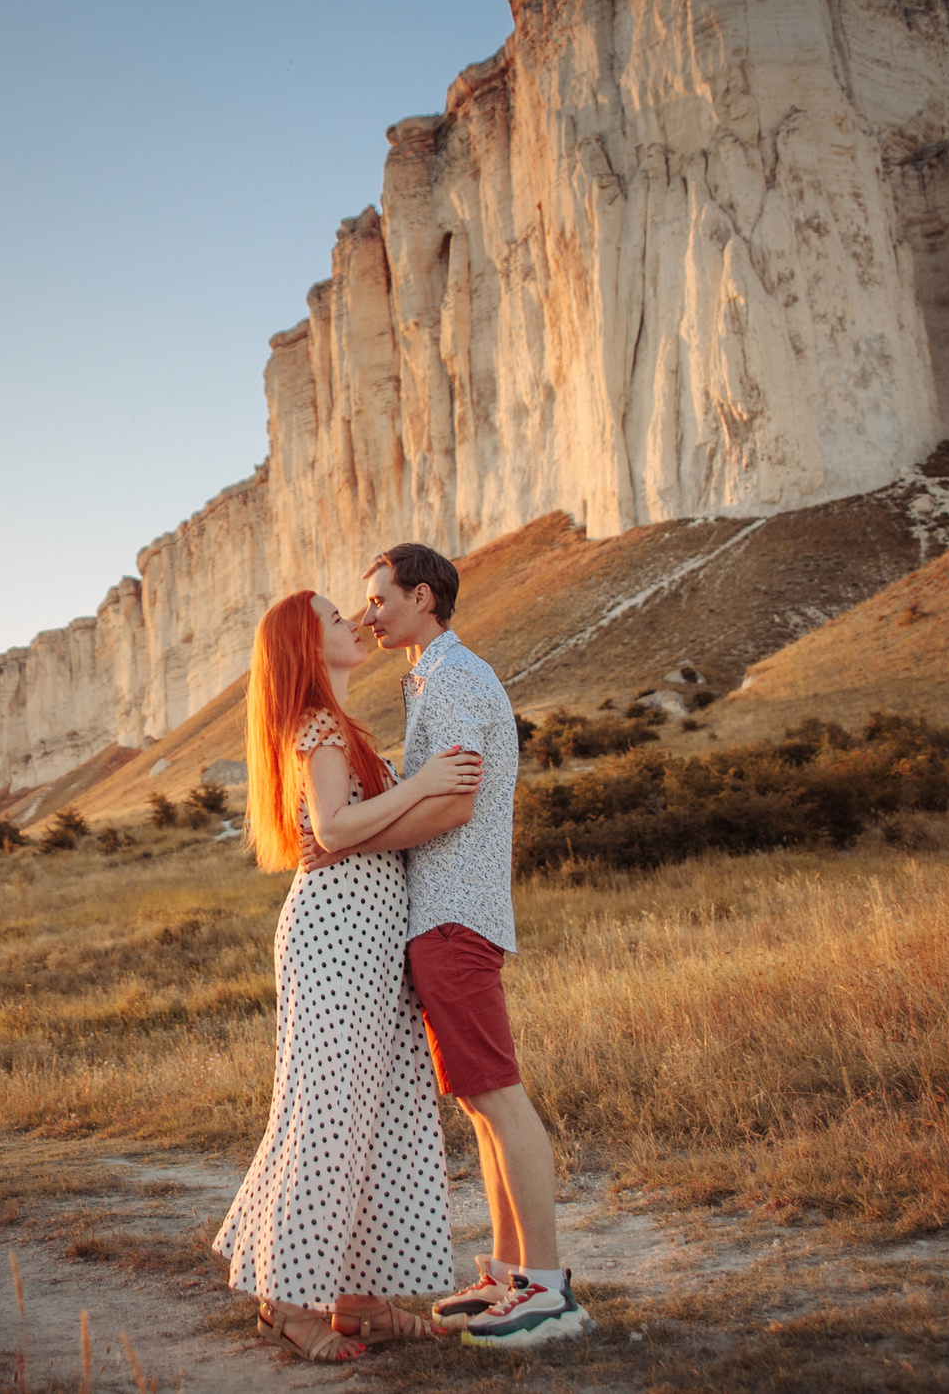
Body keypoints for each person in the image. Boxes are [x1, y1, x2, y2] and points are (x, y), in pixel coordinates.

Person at [212, 589, 484, 1363]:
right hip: (337, 933)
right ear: (306, 643)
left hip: (366, 933)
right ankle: (290, 1300)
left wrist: (426, 793)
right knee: (328, 1113)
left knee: (383, 1110)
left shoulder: (333, 722)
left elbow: (370, 830)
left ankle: (362, 1299)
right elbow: (333, 829)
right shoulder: (321, 723)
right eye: (335, 617)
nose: (354, 623)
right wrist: (427, 783)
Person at [353, 541, 596, 1347]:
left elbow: (455, 801)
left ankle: (547, 1288)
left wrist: (356, 838)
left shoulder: (456, 676)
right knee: (477, 1098)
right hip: (443, 915)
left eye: (381, 598)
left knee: (497, 1093)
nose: (370, 613)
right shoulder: (426, 676)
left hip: (456, 913)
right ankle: (505, 1272)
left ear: (422, 596)